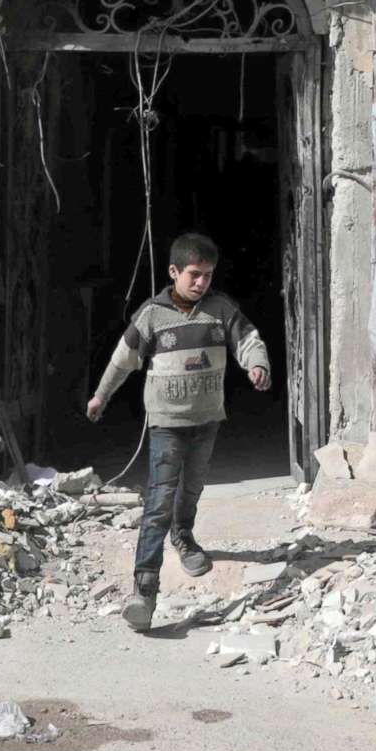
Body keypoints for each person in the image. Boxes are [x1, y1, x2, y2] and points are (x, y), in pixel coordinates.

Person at [86, 231, 270, 631]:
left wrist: (257, 365)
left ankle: (183, 536)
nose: (202, 282)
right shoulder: (152, 315)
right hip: (166, 425)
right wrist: (101, 396)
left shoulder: (220, 310)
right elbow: (122, 360)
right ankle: (144, 591)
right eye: (194, 274)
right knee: (158, 501)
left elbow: (249, 339)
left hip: (207, 422)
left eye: (208, 275)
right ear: (173, 272)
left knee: (192, 488)